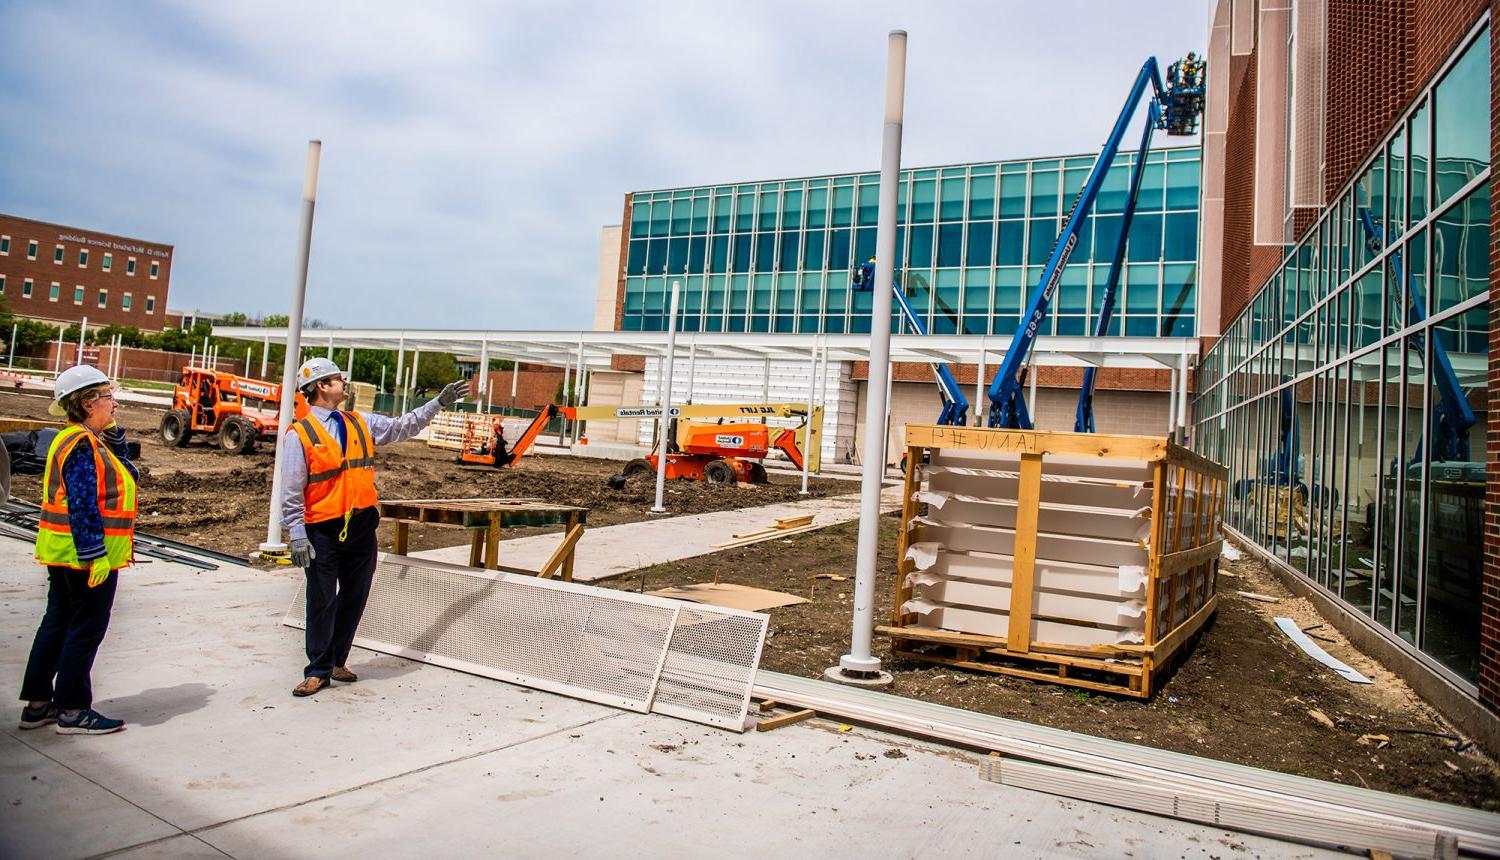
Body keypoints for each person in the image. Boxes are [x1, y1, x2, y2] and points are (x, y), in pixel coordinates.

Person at [282, 357, 467, 697]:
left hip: (361, 525)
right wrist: (295, 535)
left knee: (355, 595)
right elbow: (291, 490)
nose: (344, 384)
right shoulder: (300, 435)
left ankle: (337, 659)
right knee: (321, 599)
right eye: (338, 379)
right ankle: (318, 669)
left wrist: (437, 404)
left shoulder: (358, 422)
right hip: (322, 529)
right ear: (322, 386)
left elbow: (402, 426)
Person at [18, 365, 138, 735]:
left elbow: (125, 468)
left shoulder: (79, 438)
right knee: (85, 629)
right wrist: (93, 553)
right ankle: (72, 708)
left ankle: (38, 704)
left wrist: (114, 433)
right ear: (88, 403)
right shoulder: (82, 446)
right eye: (107, 396)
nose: (114, 402)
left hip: (63, 551)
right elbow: (83, 503)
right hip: (84, 556)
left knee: (57, 622)